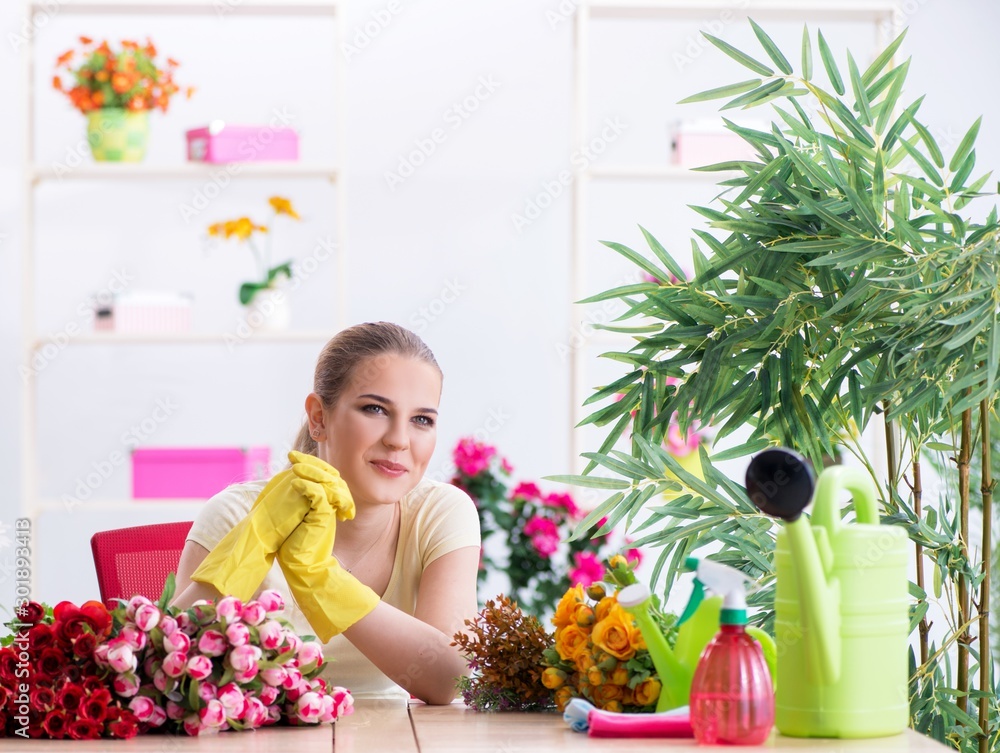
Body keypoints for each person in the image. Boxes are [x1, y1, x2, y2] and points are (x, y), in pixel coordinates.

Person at [170, 322, 481, 705]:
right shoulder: (235, 514)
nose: (399, 439)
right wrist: (255, 541)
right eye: (375, 409)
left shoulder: (440, 513)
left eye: (422, 420)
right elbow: (169, 671)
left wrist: (322, 579)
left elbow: (450, 680)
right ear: (318, 417)